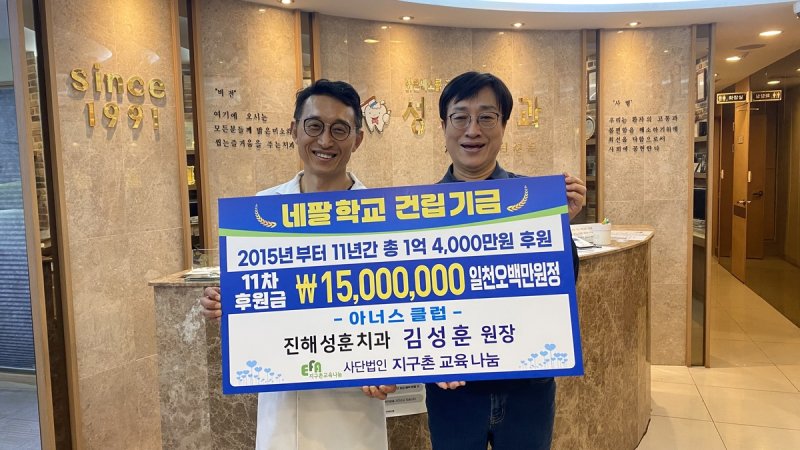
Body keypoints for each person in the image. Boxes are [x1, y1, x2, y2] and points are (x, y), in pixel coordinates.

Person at [199, 79, 395, 450]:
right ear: (294, 130)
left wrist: (391, 367)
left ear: (357, 139)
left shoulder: (382, 216)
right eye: (314, 125)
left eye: (340, 130)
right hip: (284, 404)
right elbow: (257, 298)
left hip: (353, 406)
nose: (325, 140)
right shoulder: (261, 210)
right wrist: (226, 303)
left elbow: (400, 311)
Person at [425, 71, 586, 450]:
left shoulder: (532, 201)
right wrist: (429, 357)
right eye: (460, 117)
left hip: (527, 388)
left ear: (503, 126)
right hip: (454, 393)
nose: (472, 130)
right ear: (444, 126)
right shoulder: (419, 212)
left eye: (486, 117)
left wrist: (560, 224)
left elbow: (562, 283)